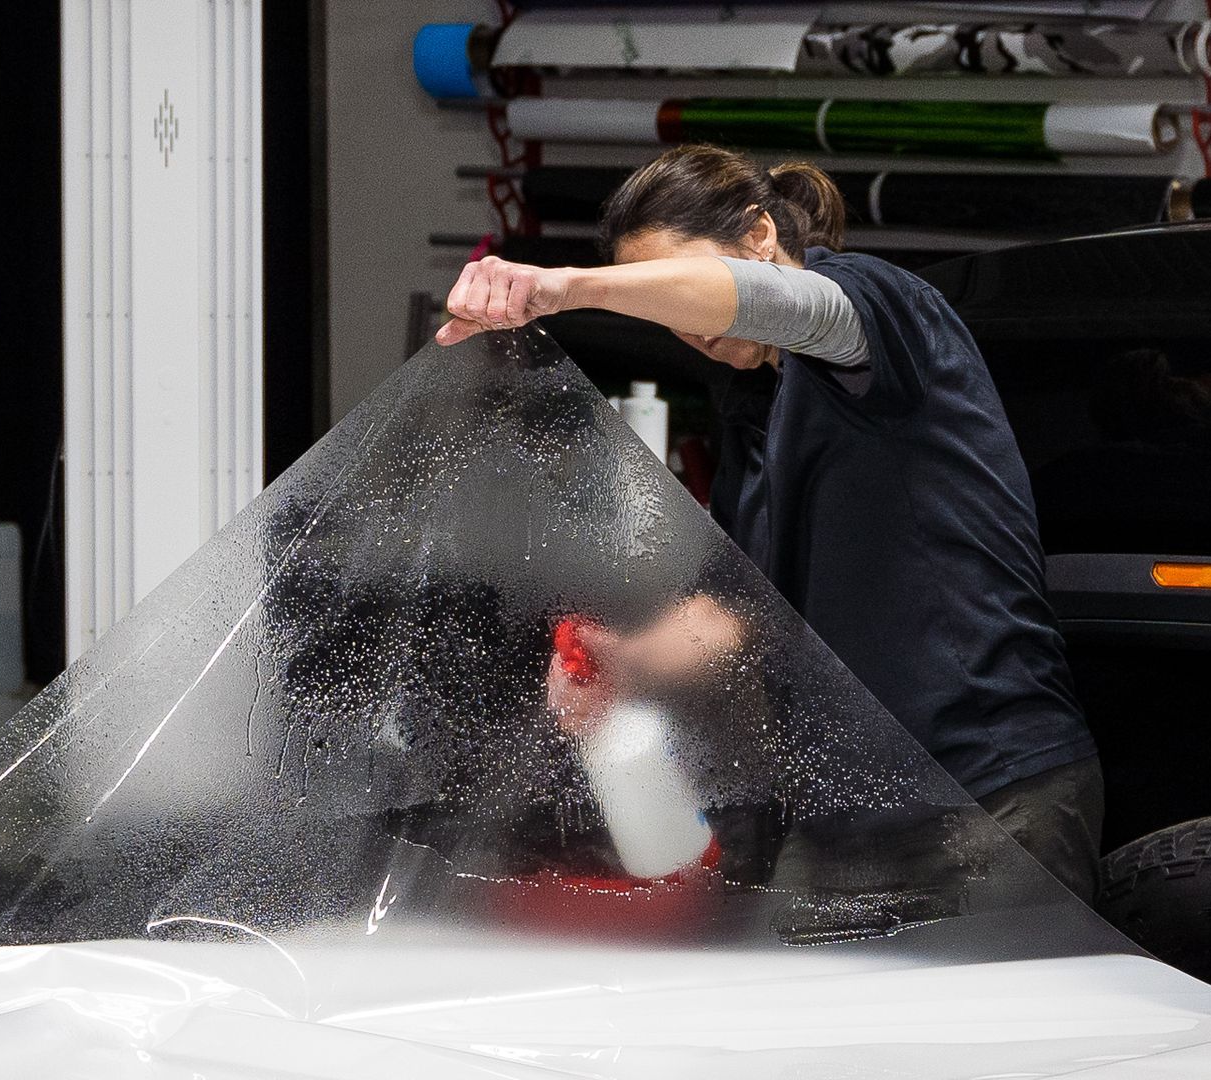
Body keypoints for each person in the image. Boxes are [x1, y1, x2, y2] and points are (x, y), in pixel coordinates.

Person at [437, 144, 1103, 902]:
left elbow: (789, 304)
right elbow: (737, 615)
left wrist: (569, 288)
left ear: (758, 237)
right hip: (844, 812)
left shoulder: (875, 313)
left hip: (989, 793)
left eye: (665, 294)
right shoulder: (753, 413)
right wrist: (617, 660)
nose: (682, 329)